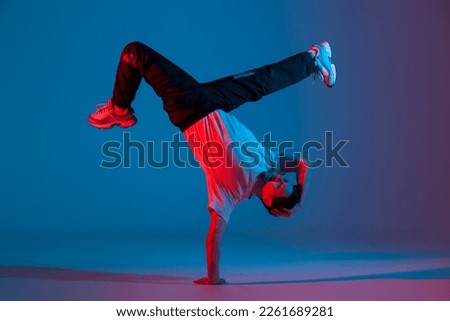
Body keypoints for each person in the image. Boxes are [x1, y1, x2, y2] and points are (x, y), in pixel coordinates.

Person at [88, 41, 336, 284]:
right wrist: (300, 197)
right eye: (286, 181)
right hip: (217, 102)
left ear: (270, 204)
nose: (281, 179)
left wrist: (213, 277)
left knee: (135, 53)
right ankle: (314, 60)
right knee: (262, 81)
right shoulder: (269, 163)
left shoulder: (231, 192)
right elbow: (304, 165)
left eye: (281, 188)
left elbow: (214, 237)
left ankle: (120, 109)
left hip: (190, 108)